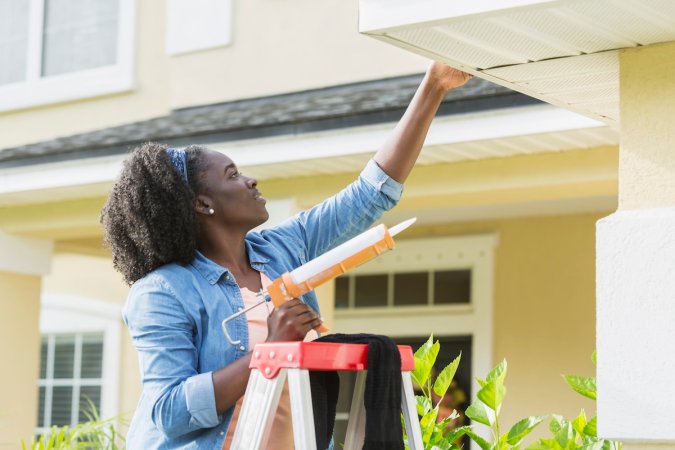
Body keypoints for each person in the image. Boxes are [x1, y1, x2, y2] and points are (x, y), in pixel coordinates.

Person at [101, 62, 472, 449]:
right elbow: (169, 412)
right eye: (232, 175)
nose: (250, 180)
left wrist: (434, 86)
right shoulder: (162, 292)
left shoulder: (281, 250)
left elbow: (371, 193)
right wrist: (270, 352)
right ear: (202, 203)